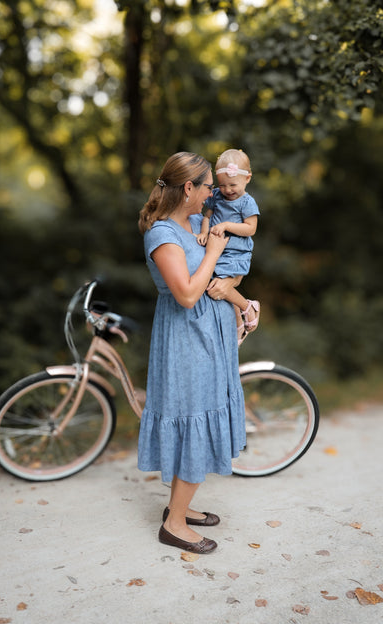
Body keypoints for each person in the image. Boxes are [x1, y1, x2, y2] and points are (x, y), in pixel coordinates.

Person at [138, 152, 247, 554]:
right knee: (193, 416)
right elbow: (185, 293)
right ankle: (175, 524)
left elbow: (211, 280)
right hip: (187, 340)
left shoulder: (190, 226)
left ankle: (179, 508)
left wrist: (239, 302)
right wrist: (216, 254)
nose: (212, 194)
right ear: (188, 188)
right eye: (206, 187)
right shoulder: (162, 233)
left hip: (208, 336)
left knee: (203, 410)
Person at [197, 148, 260, 344]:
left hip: (235, 252)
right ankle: (238, 325)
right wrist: (204, 232)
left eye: (232, 184)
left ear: (247, 178)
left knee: (219, 285)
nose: (227, 190)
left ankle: (249, 308)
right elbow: (207, 216)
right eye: (222, 185)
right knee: (216, 285)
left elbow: (250, 229)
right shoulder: (217, 196)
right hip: (217, 250)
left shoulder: (247, 202)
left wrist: (225, 225)